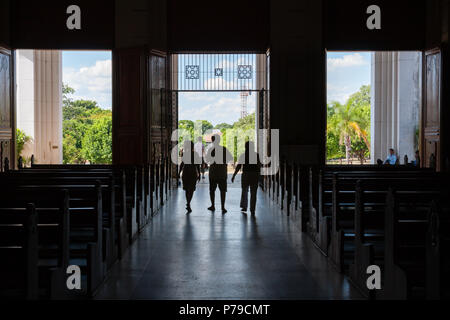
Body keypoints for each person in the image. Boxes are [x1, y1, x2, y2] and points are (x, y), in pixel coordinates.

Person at [205, 134, 233, 214]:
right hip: (222, 172)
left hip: (213, 172)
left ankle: (213, 205)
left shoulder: (210, 150)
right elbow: (230, 158)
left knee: (212, 190)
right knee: (223, 191)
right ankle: (223, 207)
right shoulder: (224, 149)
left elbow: (207, 161)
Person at [231, 141, 261, 215]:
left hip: (246, 174)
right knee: (253, 193)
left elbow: (239, 166)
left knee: (244, 191)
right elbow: (259, 166)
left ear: (246, 147)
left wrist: (234, 175)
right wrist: (260, 176)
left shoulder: (243, 155)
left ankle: (244, 206)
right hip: (254, 174)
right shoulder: (256, 155)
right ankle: (252, 209)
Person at [178, 140, 201, 213]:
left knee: (187, 189)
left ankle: (188, 203)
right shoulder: (195, 154)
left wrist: (179, 172)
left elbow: (182, 164)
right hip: (192, 173)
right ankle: (188, 203)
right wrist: (199, 174)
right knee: (191, 190)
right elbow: (197, 165)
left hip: (186, 172)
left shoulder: (185, 154)